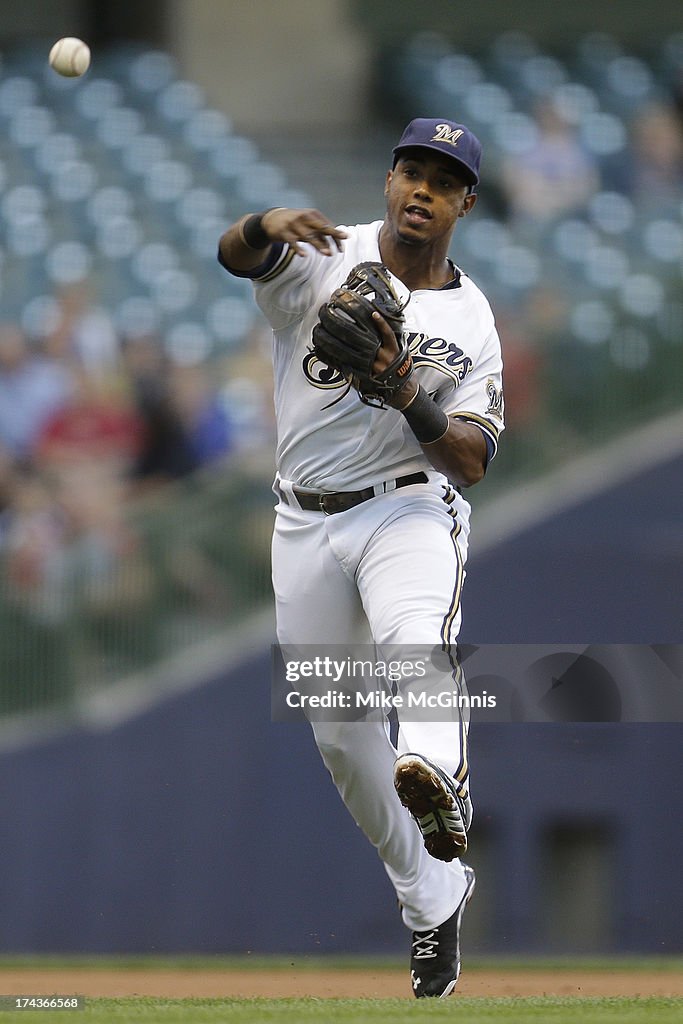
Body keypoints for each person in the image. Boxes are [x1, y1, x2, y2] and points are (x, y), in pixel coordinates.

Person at [218, 117, 504, 999]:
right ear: (387, 181)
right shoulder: (322, 253)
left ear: (464, 202)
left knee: (417, 636)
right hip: (303, 521)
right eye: (410, 171)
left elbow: (472, 459)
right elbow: (234, 254)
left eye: (441, 180)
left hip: (408, 507)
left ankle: (440, 780)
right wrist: (266, 223)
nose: (421, 189)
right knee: (340, 739)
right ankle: (432, 899)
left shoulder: (471, 318)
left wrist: (406, 392)